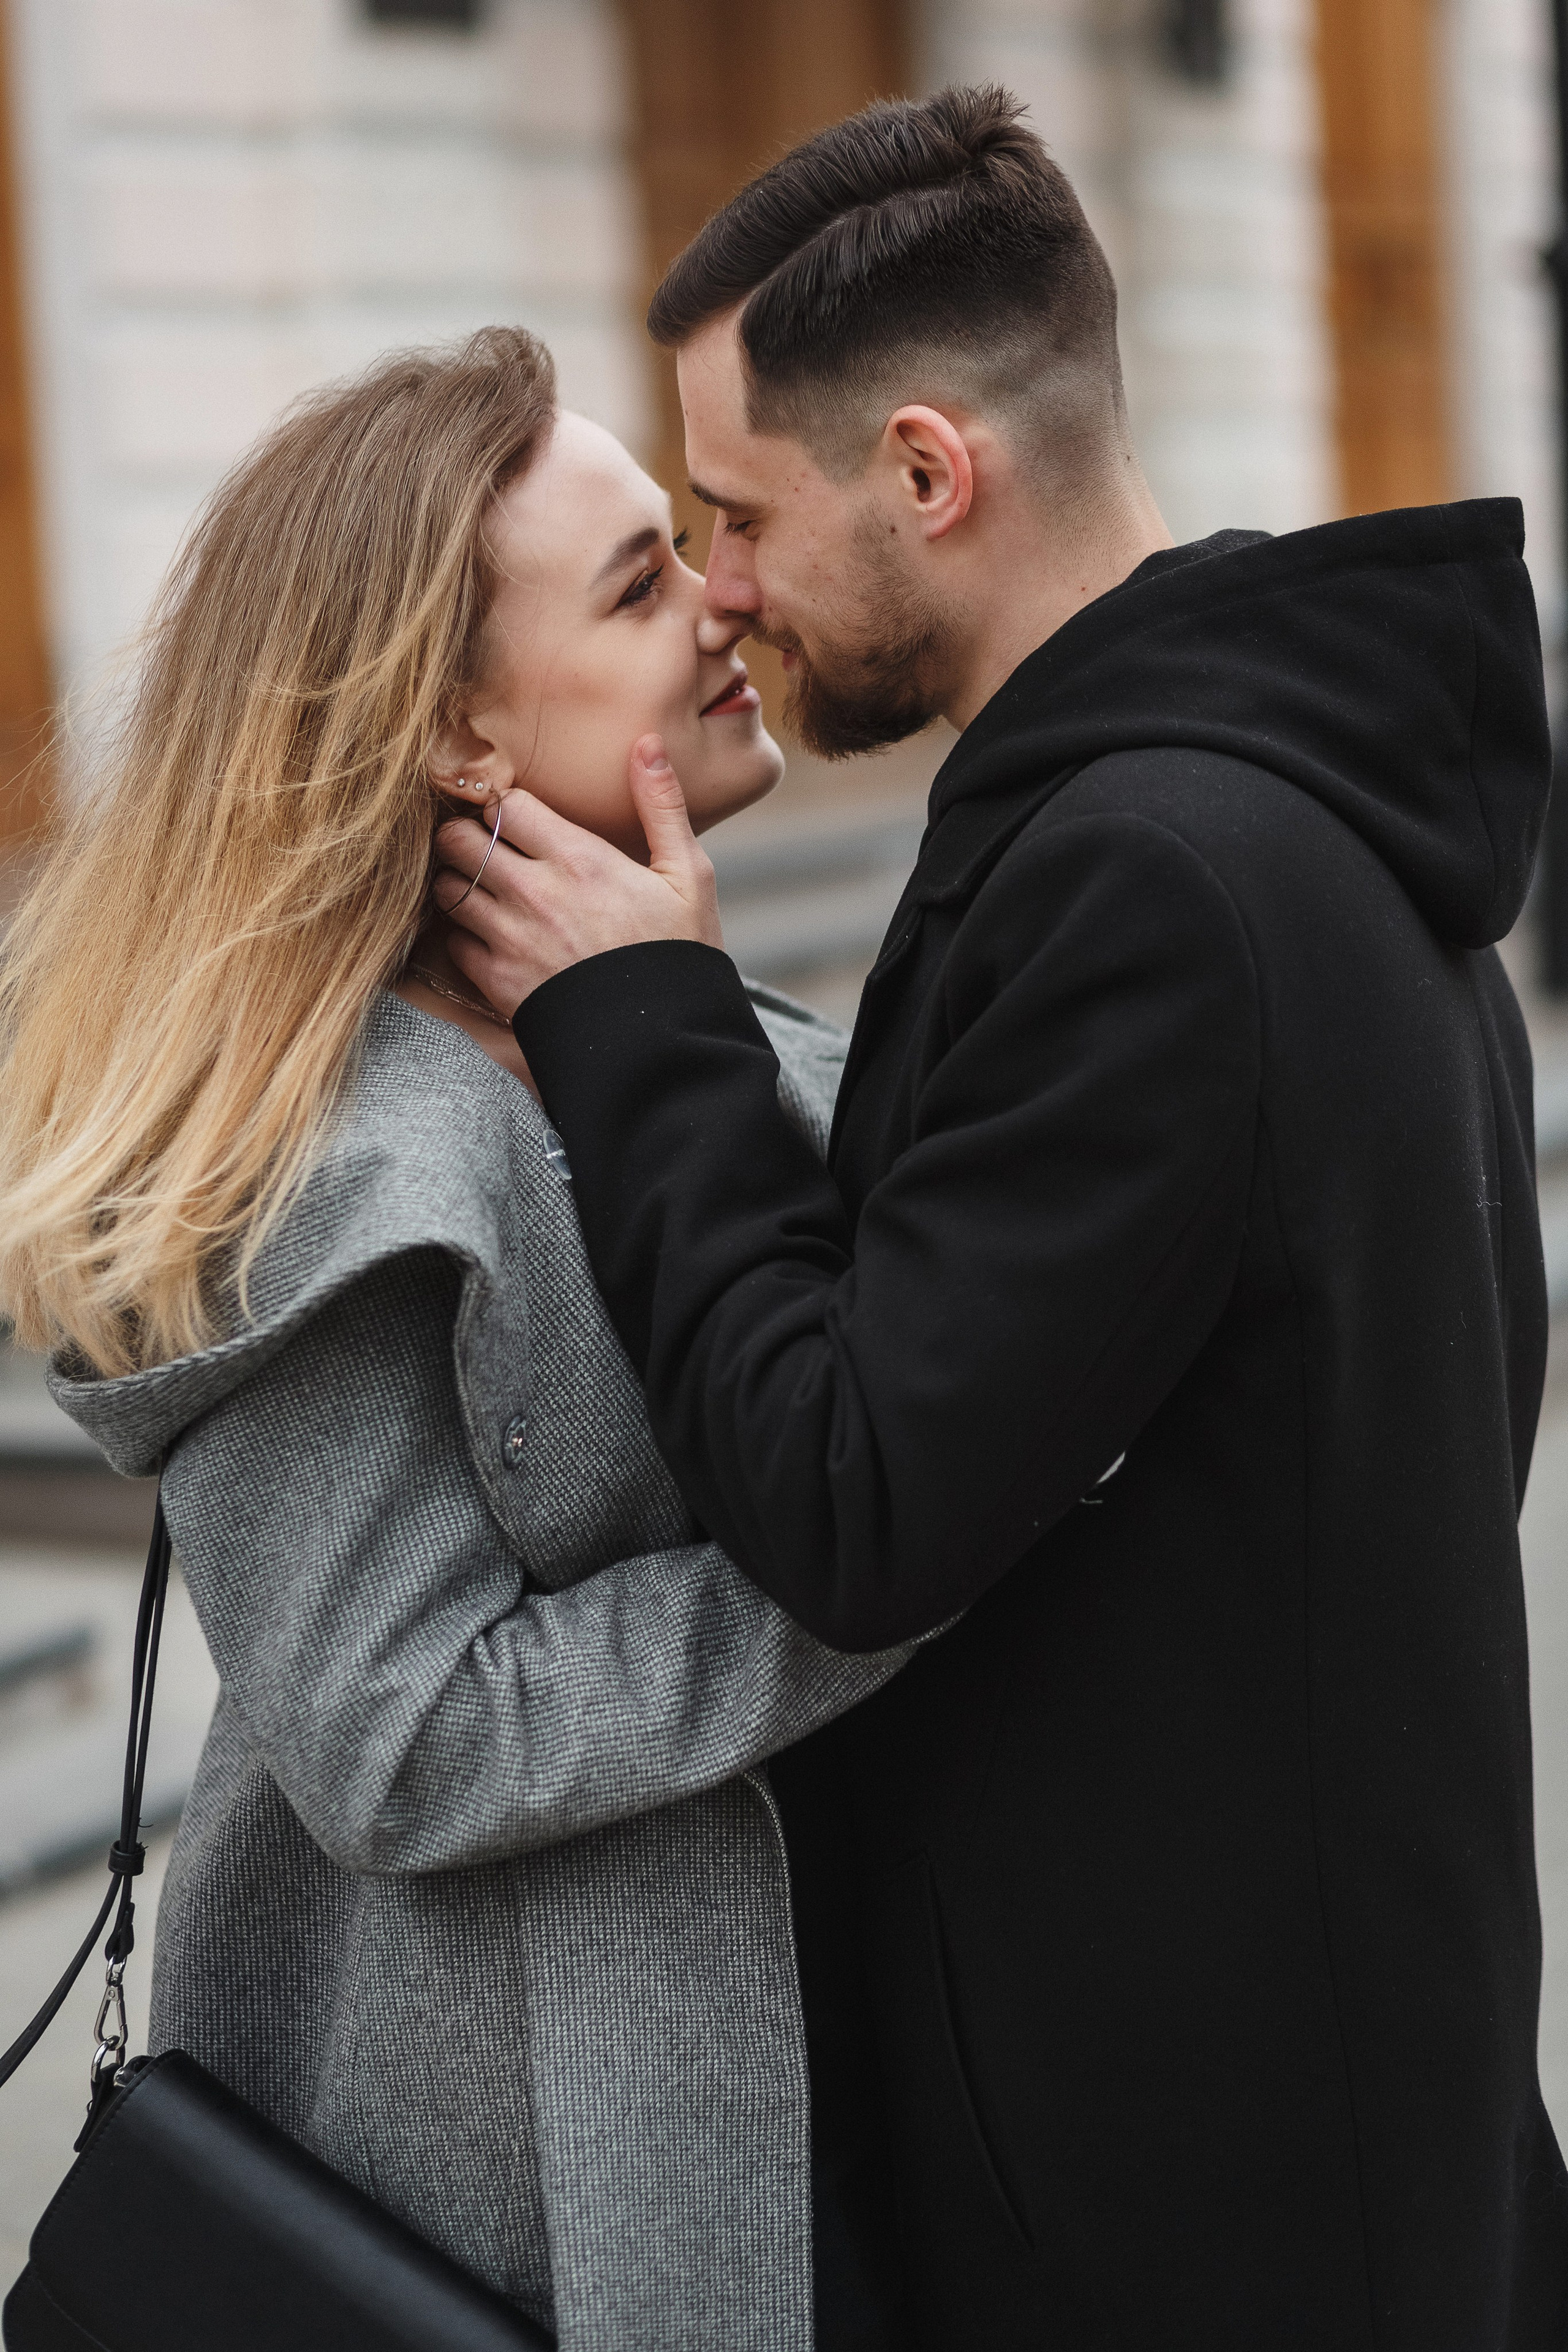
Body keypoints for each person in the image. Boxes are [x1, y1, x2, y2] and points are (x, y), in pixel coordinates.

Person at [432, 86, 1568, 2351]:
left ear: (932, 474)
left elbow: (854, 1498)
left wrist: (644, 1026)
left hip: (1206, 2221)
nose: (726, 597)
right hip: (1307, 2131)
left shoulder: (1152, 886)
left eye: (737, 520)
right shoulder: (1271, 804)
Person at [0, 326, 915, 2352]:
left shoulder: (654, 1018)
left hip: (793, 2068)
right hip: (517, 2181)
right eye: (638, 586)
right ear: (458, 740)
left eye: (692, 551)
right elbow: (404, 1742)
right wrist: (899, 1550)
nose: (723, 604)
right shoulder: (336, 1167)